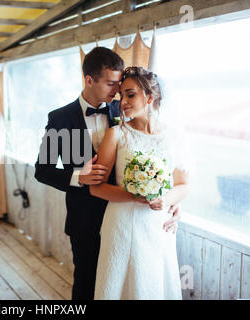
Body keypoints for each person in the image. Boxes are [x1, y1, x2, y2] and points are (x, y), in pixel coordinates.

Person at [34, 47, 181, 300]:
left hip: (127, 219)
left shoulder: (123, 110)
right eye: (111, 84)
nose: (117, 91)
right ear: (89, 80)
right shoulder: (60, 118)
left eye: (120, 84)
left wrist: (170, 200)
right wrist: (78, 177)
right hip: (85, 219)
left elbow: (158, 157)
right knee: (87, 283)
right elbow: (42, 171)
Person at [90, 66, 190, 299]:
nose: (123, 101)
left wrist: (166, 200)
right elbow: (96, 188)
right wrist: (136, 196)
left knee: (153, 285)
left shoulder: (174, 136)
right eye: (121, 95)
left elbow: (183, 184)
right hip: (121, 225)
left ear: (150, 97)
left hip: (158, 226)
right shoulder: (116, 135)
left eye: (130, 94)